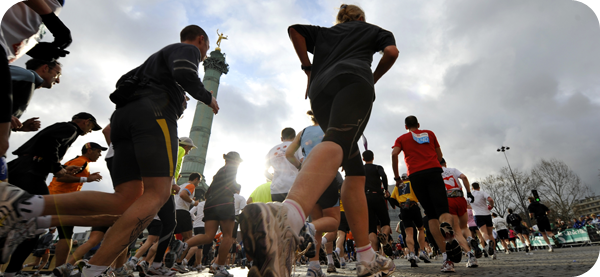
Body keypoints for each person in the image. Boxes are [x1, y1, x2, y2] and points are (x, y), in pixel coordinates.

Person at [0, 25, 218, 277]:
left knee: (124, 201)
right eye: (207, 48)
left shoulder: (152, 63)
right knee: (157, 194)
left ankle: (26, 207)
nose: (204, 55)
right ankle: (94, 270)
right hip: (154, 115)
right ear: (200, 40)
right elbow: (185, 71)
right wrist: (207, 97)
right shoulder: (187, 48)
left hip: (124, 120)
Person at [242, 4, 398, 277]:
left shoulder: (326, 33)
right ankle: (287, 217)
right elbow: (392, 52)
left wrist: (307, 68)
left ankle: (365, 254)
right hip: (353, 82)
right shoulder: (371, 29)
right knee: (338, 141)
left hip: (320, 90)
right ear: (361, 18)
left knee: (355, 170)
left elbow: (294, 31)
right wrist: (373, 78)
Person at [0, 112, 108, 270]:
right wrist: (59, 169)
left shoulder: (65, 129)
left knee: (29, 223)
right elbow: (51, 144)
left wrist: (62, 168)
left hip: (25, 168)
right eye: (92, 126)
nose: (90, 130)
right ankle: (10, 255)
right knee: (36, 225)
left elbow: (45, 151)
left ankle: (11, 258)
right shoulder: (71, 129)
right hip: (30, 171)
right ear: (86, 122)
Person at [1, 0, 71, 159]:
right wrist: (52, 20)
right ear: (46, 68)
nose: (58, 81)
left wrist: (34, 47)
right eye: (57, 75)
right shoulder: (28, 77)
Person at [391, 115, 460, 272]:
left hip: (416, 175)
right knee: (442, 210)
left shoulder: (401, 138)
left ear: (405, 126)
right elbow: (440, 156)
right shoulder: (429, 133)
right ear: (418, 124)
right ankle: (447, 227)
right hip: (434, 171)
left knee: (430, 215)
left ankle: (446, 258)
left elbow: (394, 154)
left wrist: (396, 177)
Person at [285, 110, 342, 276]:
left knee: (317, 224)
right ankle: (306, 227)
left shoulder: (303, 132)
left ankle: (314, 266)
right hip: (327, 174)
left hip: (307, 177)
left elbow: (289, 154)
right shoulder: (331, 128)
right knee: (333, 222)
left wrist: (299, 166)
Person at [180, 152, 242, 277]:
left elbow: (207, 193)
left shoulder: (218, 172)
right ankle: (220, 267)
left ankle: (183, 245)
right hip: (224, 203)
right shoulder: (232, 168)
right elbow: (230, 185)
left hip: (210, 204)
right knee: (228, 236)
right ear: (235, 160)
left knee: (208, 236)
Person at [49, 143, 106, 269]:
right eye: (98, 151)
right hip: (63, 200)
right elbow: (60, 178)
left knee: (66, 234)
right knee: (66, 235)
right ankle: (61, 268)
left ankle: (61, 267)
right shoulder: (81, 162)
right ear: (89, 150)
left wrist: (87, 177)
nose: (100, 154)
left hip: (58, 199)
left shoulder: (79, 161)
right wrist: (87, 179)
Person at [440, 159, 480, 267]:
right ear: (445, 163)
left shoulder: (436, 172)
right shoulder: (452, 170)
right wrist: (469, 192)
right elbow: (464, 177)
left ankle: (470, 255)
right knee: (464, 227)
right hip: (460, 198)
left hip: (448, 199)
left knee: (456, 231)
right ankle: (469, 238)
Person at [389, 173, 430, 267]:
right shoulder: (413, 184)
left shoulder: (397, 186)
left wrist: (399, 204)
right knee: (420, 228)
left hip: (404, 209)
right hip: (414, 206)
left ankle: (411, 253)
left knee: (409, 233)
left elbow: (391, 199)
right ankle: (422, 251)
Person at [361, 150, 393, 257]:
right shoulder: (377, 167)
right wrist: (386, 189)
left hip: (366, 198)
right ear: (373, 157)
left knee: (371, 228)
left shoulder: (360, 169)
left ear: (363, 158)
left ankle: (375, 255)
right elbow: (383, 176)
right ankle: (383, 235)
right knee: (385, 222)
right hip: (378, 196)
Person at [171, 173, 202, 272]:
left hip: (174, 212)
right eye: (199, 181)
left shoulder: (181, 185)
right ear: (196, 179)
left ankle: (165, 261)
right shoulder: (191, 186)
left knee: (172, 238)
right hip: (183, 213)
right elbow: (183, 194)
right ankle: (179, 262)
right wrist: (194, 203)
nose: (198, 184)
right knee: (188, 238)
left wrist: (189, 200)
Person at [265, 127, 301, 202]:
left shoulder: (272, 150)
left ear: (282, 138)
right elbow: (303, 162)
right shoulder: (297, 147)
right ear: (295, 137)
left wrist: (273, 179)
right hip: (295, 186)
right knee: (296, 212)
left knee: (280, 213)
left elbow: (264, 171)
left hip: (276, 189)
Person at [470, 182, 497, 259]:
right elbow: (490, 199)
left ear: (472, 188)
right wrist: (491, 206)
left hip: (478, 215)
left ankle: (488, 242)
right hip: (487, 214)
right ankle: (494, 253)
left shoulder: (470, 194)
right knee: (490, 234)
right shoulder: (482, 192)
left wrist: (473, 207)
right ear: (479, 187)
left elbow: (466, 204)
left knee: (483, 233)